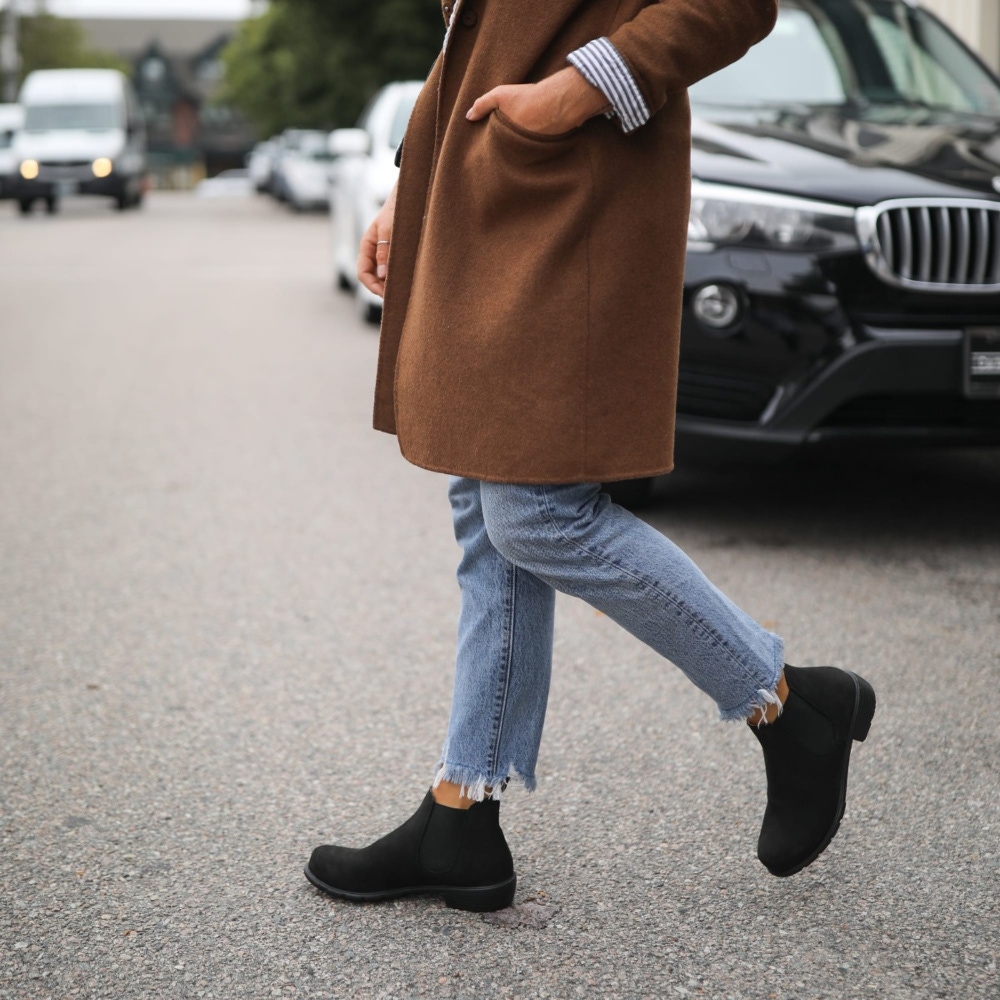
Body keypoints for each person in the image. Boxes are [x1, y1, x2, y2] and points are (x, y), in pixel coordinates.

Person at [305, 0, 877, 912]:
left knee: (536, 511)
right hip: (489, 191)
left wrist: (577, 92)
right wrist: (414, 187)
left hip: (573, 185)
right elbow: (476, 31)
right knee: (486, 499)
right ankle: (464, 810)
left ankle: (787, 703)